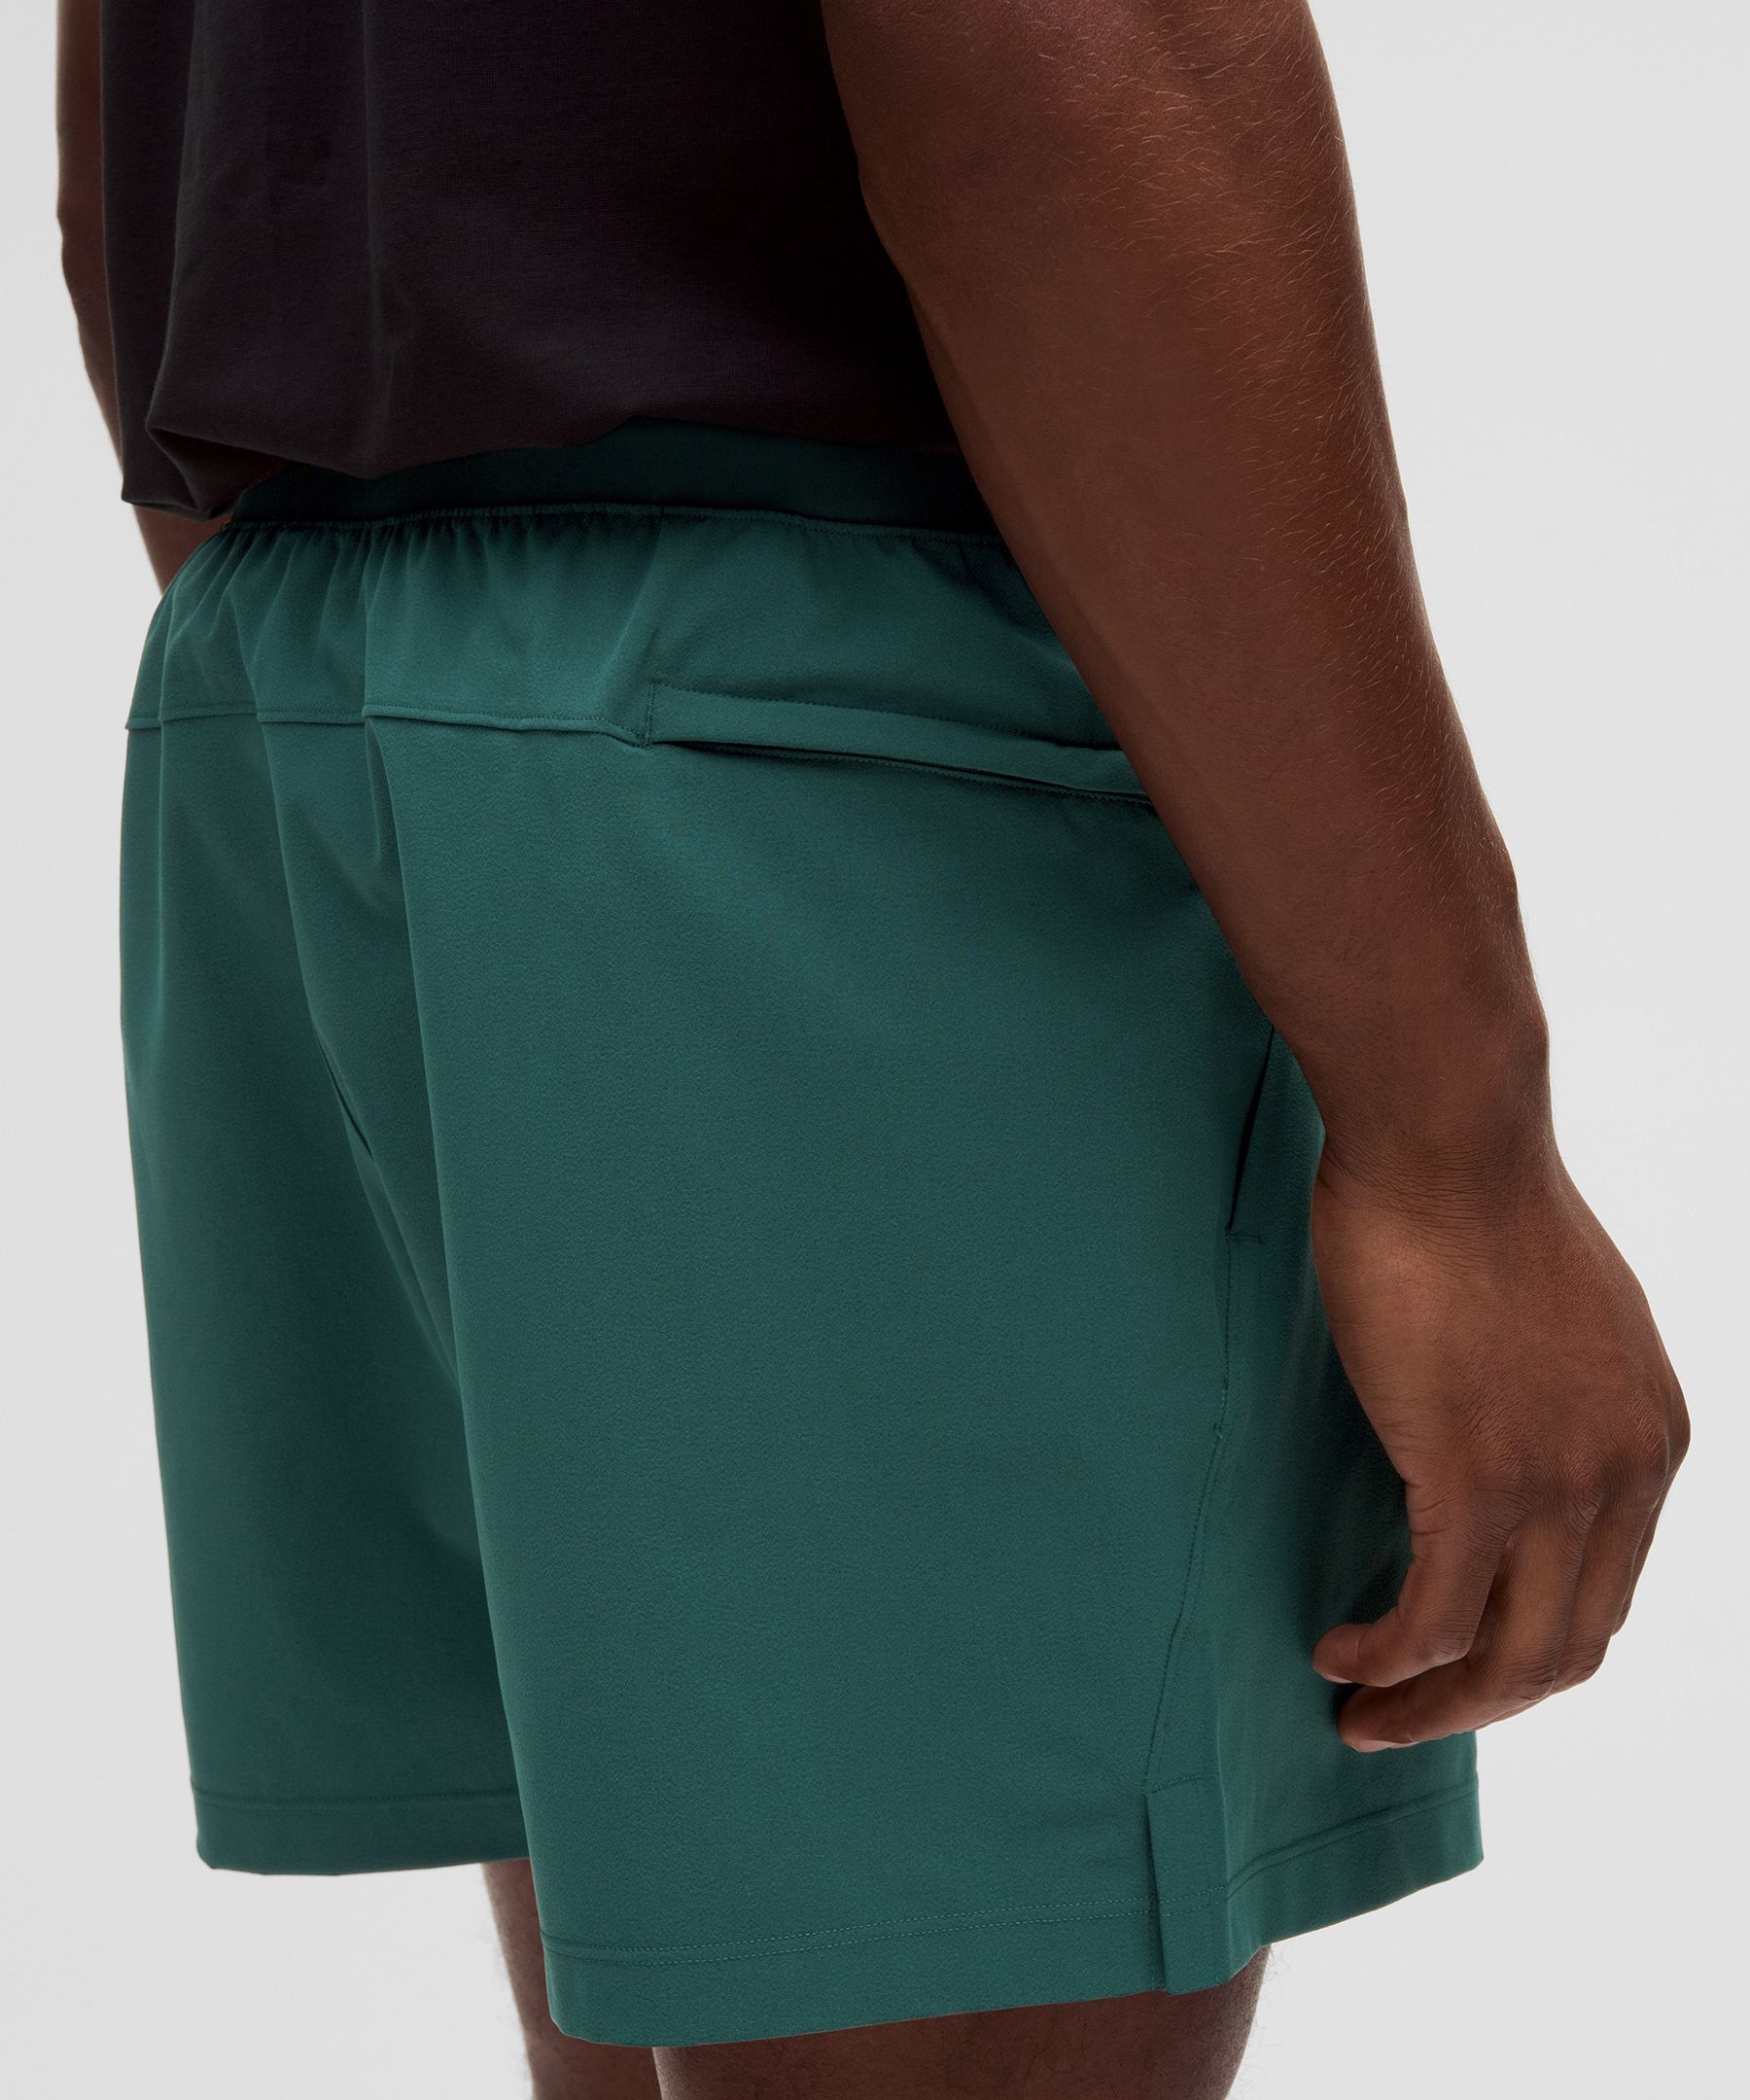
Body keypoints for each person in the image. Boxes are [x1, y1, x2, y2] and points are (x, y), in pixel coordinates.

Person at [57, 3, 1687, 2095]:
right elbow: (1074, 52)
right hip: (814, 740)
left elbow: (113, 154)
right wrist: (1459, 1145)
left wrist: (434, 748)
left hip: (326, 676)